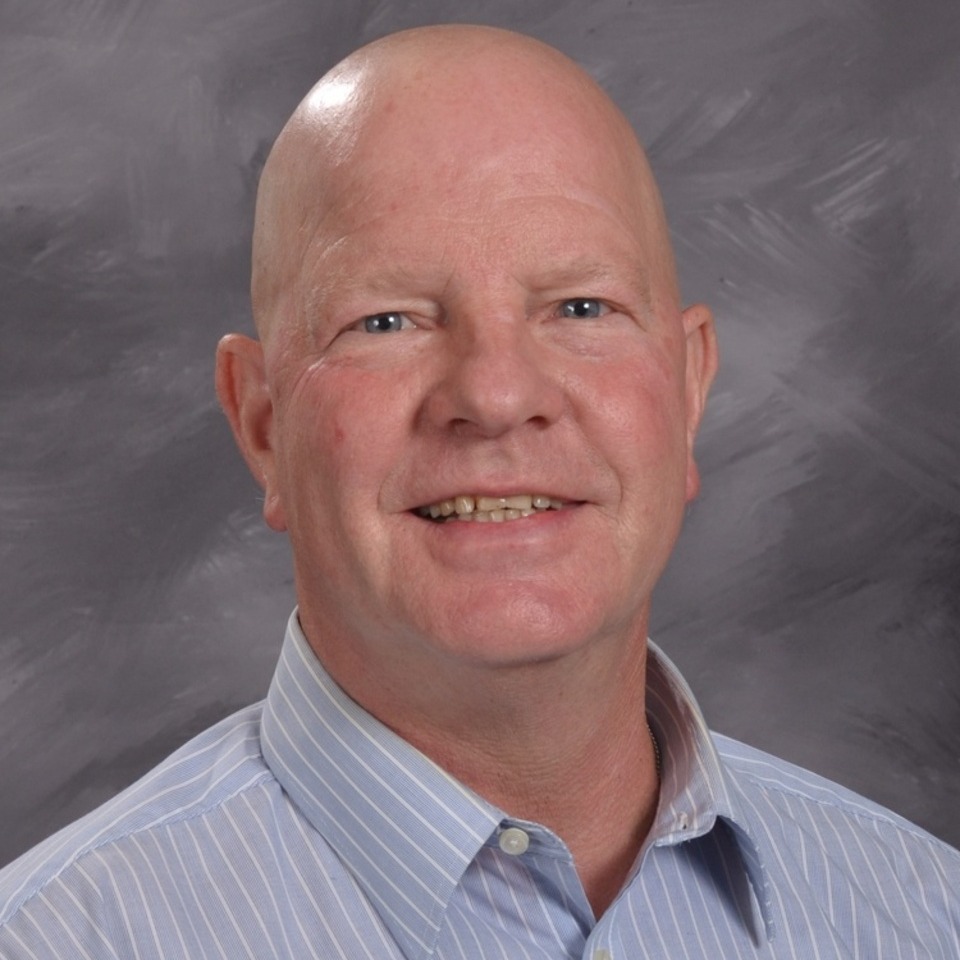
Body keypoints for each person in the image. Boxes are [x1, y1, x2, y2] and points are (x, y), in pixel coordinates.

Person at [1, 23, 957, 959]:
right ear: (261, 424)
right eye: (387, 320)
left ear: (690, 385)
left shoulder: (922, 915)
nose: (497, 397)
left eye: (582, 307)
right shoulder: (56, 939)